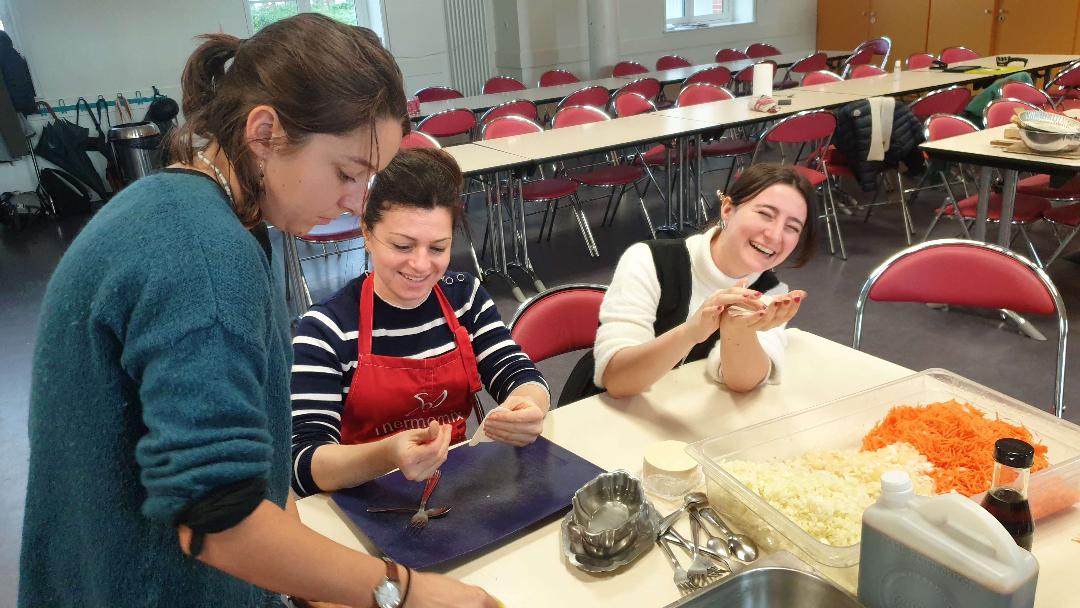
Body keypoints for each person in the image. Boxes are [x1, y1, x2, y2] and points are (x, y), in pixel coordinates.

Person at [20, 14, 496, 608]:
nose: (354, 202)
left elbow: (256, 456)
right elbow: (220, 519)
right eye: (347, 173)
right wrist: (405, 591)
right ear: (265, 132)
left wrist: (312, 583)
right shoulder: (204, 257)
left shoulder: (202, 214)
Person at [291, 147, 550, 495]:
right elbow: (304, 464)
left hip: (455, 486)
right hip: (361, 498)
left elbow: (518, 372)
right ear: (367, 234)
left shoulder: (464, 299)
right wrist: (389, 454)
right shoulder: (326, 330)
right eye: (402, 246)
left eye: (438, 248)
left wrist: (529, 406)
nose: (421, 265)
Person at [592, 163, 818, 398]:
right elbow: (617, 380)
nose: (775, 235)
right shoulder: (650, 260)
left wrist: (737, 328)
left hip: (683, 414)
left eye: (792, 228)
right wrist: (692, 332)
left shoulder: (770, 292)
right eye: (765, 214)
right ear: (728, 209)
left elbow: (743, 382)